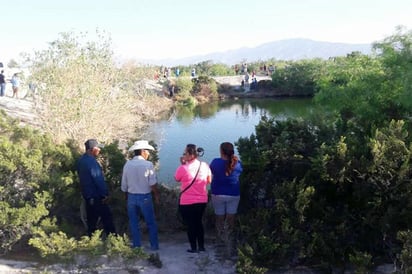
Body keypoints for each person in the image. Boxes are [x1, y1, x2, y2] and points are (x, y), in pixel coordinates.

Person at [121, 140, 160, 251]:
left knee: (134, 222)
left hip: (132, 197)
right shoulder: (148, 165)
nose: (148, 154)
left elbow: (124, 183)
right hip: (145, 197)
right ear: (143, 151)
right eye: (147, 151)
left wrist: (126, 195)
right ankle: (154, 246)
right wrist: (157, 195)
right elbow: (152, 183)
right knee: (150, 222)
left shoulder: (127, 164)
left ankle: (137, 245)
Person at [175, 144, 211, 253]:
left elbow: (176, 178)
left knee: (190, 225)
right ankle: (202, 247)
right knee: (198, 223)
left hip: (186, 202)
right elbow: (209, 180)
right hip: (202, 201)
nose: (183, 155)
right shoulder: (204, 165)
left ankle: (193, 248)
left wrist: (182, 164)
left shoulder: (183, 168)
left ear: (191, 155)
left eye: (185, 153)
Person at [77, 139, 116, 237]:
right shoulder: (92, 162)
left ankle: (92, 241)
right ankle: (114, 241)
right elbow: (98, 179)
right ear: (91, 149)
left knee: (91, 221)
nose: (99, 150)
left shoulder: (81, 160)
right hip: (96, 196)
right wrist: (105, 194)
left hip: (87, 196)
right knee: (107, 219)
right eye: (97, 148)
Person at [209, 142, 243, 255]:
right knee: (231, 219)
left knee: (219, 218)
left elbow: (211, 172)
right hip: (233, 194)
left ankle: (220, 240)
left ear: (221, 151)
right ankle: (230, 241)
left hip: (218, 194)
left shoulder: (215, 162)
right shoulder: (238, 164)